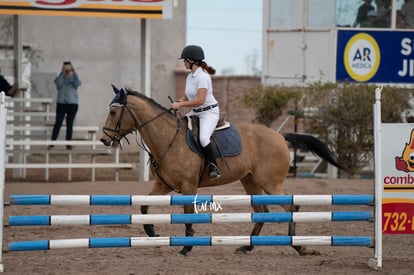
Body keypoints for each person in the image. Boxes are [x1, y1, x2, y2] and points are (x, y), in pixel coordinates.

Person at [171, 45, 221, 179]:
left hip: (209, 113)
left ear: (191, 60)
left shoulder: (203, 77)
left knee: (204, 138)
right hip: (196, 112)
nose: (183, 63)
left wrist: (180, 104)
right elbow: (188, 96)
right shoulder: (190, 76)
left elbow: (200, 100)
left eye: (184, 60)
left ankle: (213, 166)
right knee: (179, 128)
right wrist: (179, 102)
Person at [48, 61, 81, 150]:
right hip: (61, 103)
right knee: (58, 122)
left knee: (69, 124)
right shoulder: (60, 77)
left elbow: (77, 84)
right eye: (65, 67)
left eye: (68, 67)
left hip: (72, 103)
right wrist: (62, 73)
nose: (67, 69)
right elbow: (58, 84)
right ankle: (52, 143)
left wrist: (74, 72)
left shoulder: (74, 77)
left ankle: (68, 143)